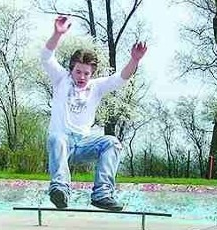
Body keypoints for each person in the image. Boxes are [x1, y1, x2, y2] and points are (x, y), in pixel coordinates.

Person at [41, 15, 147, 211]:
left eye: (86, 73)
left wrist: (134, 60)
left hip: (84, 144)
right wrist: (57, 34)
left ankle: (102, 193)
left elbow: (121, 78)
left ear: (92, 73)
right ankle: (60, 190)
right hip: (63, 141)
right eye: (78, 72)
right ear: (71, 69)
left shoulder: (96, 87)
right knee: (57, 138)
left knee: (112, 142)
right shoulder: (61, 79)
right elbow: (46, 57)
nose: (82, 77)